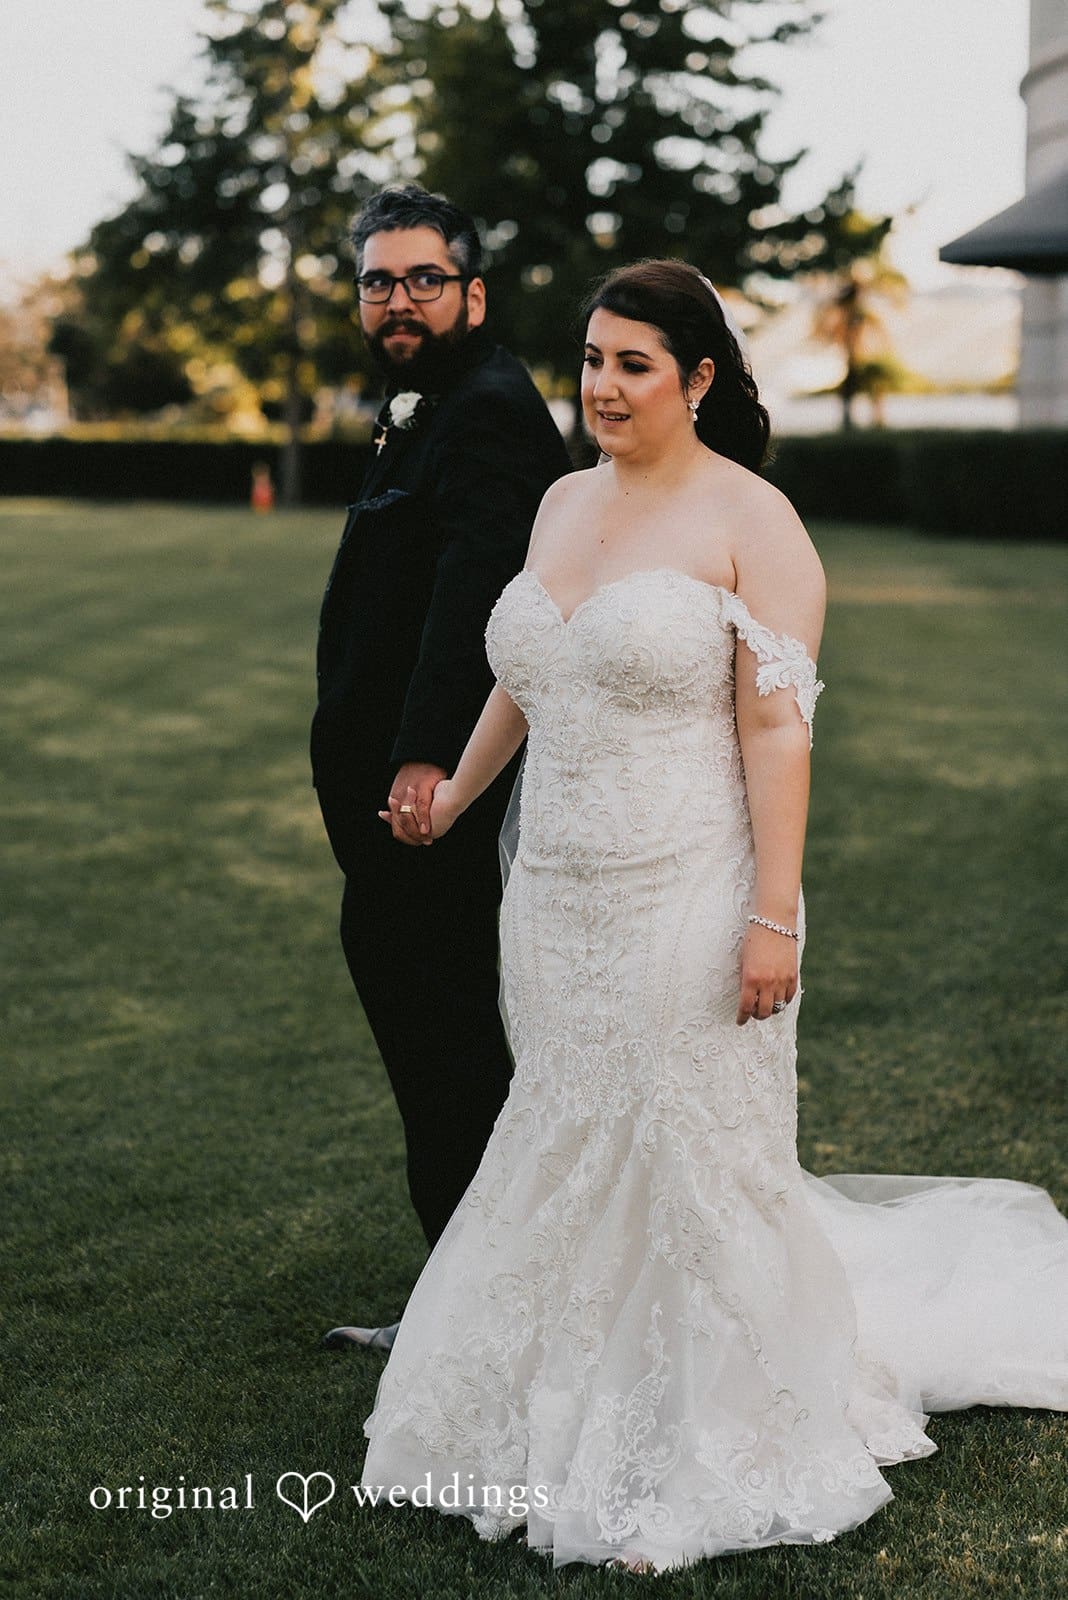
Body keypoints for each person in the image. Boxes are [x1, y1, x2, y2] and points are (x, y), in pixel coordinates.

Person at [359, 259, 1068, 1571]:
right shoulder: (562, 502)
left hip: (691, 886)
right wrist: (455, 793)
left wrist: (772, 918)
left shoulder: (756, 521)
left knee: (688, 1156)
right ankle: (551, 1401)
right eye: (591, 360)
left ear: (696, 378)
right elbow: (528, 673)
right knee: (571, 1133)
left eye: (633, 364)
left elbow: (777, 734)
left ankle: (708, 1440)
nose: (603, 387)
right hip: (556, 897)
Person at [311, 185, 571, 1351]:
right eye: (379, 280)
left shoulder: (490, 407)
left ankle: (480, 1316)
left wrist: (426, 757)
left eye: (424, 278)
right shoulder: (434, 400)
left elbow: (480, 592)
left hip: (434, 797)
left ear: (474, 292)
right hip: (398, 791)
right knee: (436, 1037)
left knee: (447, 1041)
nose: (399, 300)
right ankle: (472, 1296)